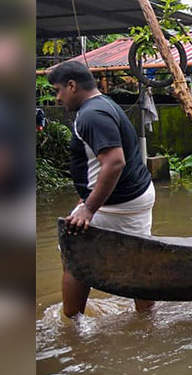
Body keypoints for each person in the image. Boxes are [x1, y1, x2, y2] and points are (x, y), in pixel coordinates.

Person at [48, 61, 155, 317]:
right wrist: (84, 197)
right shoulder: (103, 104)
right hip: (133, 195)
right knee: (137, 257)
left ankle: (72, 326)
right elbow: (98, 163)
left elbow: (114, 162)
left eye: (58, 90)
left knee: (74, 253)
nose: (57, 98)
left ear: (72, 86)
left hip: (118, 202)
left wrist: (88, 208)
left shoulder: (91, 115)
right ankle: (147, 318)